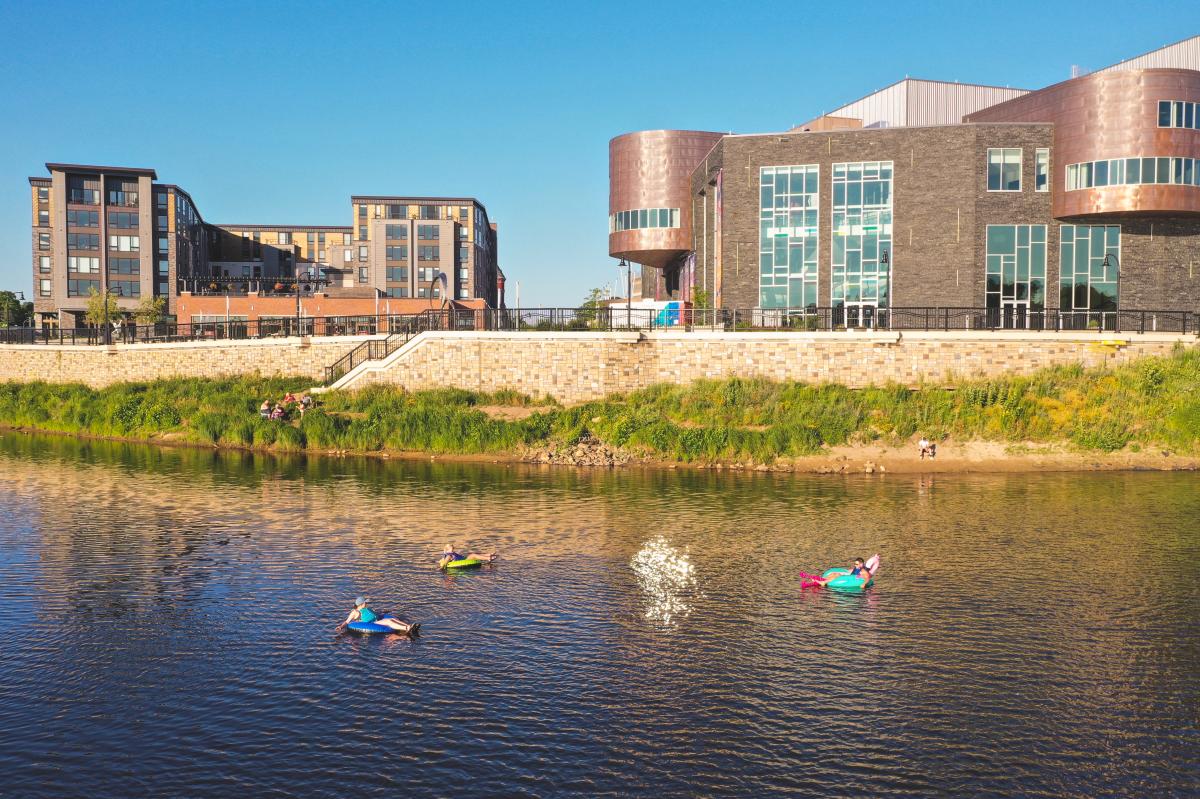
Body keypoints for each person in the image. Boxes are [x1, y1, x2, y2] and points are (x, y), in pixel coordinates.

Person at [336, 596, 415, 633]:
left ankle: (409, 626)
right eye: (365, 602)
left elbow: (374, 613)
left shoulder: (365, 609)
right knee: (389, 622)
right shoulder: (355, 612)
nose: (367, 603)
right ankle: (406, 628)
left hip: (376, 620)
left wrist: (384, 612)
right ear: (361, 604)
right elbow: (347, 622)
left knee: (392, 619)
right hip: (372, 623)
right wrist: (340, 627)